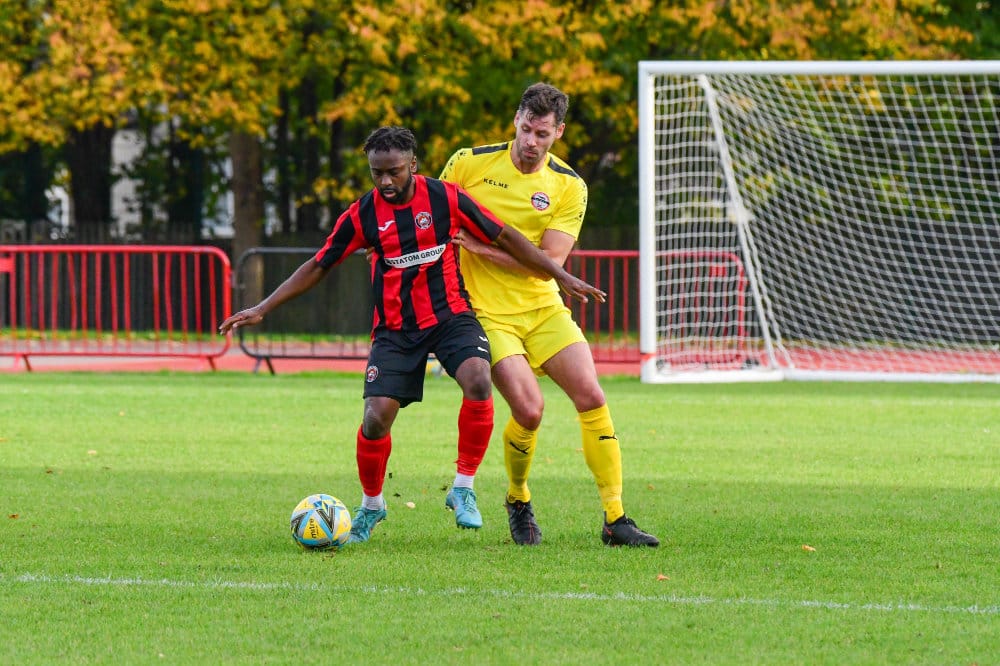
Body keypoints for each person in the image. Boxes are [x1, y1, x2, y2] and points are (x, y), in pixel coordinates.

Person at [219, 126, 605, 545]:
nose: (386, 181)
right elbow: (318, 264)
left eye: (395, 171)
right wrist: (263, 307)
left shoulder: (446, 198)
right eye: (377, 173)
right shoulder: (362, 215)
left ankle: (463, 488)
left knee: (478, 378)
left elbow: (507, 236)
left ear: (413, 165)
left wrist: (560, 274)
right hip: (396, 329)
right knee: (375, 418)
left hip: (451, 315)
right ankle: (372, 505)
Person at [439, 83, 659, 547]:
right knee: (529, 409)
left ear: (558, 132)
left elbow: (549, 265)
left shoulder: (569, 185)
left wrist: (480, 247)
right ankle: (518, 498)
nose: (530, 141)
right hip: (486, 313)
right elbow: (431, 221)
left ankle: (615, 519)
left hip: (542, 309)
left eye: (541, 133)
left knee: (592, 395)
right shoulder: (468, 163)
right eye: (525, 129)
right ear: (515, 120)